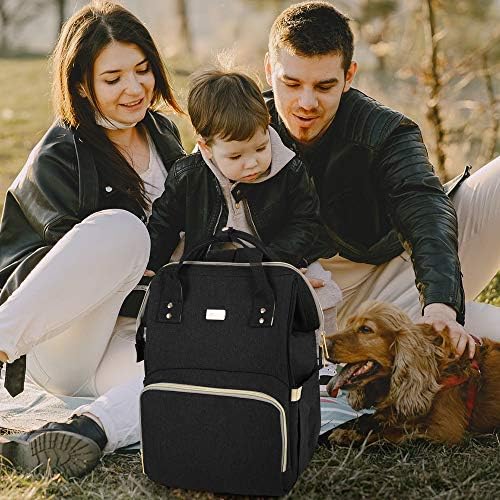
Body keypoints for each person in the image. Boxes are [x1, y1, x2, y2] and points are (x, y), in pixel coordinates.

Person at [0, 1, 185, 476]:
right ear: (83, 85)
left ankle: (87, 429)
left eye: (142, 70)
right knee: (122, 230)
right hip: (57, 342)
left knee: (193, 375)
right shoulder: (60, 154)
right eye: (113, 78)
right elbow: (70, 271)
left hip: (126, 335)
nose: (135, 88)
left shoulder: (164, 135)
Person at [263, 1, 500, 357]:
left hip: (406, 267)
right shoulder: (239, 128)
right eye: (291, 83)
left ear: (349, 76)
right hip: (334, 310)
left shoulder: (384, 130)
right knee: (492, 331)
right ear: (270, 70)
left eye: (324, 86)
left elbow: (425, 209)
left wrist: (440, 307)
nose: (306, 102)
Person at [146, 68, 325, 274]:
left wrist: (276, 261)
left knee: (321, 286)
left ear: (267, 126)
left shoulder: (290, 169)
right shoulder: (188, 175)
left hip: (275, 262)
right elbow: (164, 224)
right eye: (235, 156)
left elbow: (306, 222)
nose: (252, 163)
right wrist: (150, 264)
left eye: (261, 148)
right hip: (209, 269)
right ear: (206, 148)